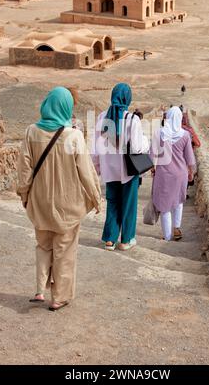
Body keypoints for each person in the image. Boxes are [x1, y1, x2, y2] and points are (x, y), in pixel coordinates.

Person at [17, 87, 102, 311]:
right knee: (64, 249)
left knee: (43, 245)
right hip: (67, 205)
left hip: (40, 201)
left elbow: (24, 170)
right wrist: (96, 198)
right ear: (67, 108)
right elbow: (86, 172)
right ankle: (59, 297)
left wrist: (25, 195)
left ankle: (39, 290)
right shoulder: (73, 136)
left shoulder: (31, 132)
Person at [92, 83, 149, 251]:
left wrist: (96, 167)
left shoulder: (102, 117)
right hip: (128, 171)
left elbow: (96, 146)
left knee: (113, 203)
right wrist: (146, 141)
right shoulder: (133, 119)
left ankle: (110, 240)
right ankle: (126, 240)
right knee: (129, 204)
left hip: (109, 170)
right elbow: (138, 148)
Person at [151, 106, 196, 242]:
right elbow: (190, 158)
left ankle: (167, 236)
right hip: (180, 174)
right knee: (178, 201)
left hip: (164, 174)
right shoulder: (185, 135)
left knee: (165, 206)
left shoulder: (159, 133)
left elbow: (152, 155)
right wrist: (191, 172)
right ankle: (177, 228)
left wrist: (152, 169)